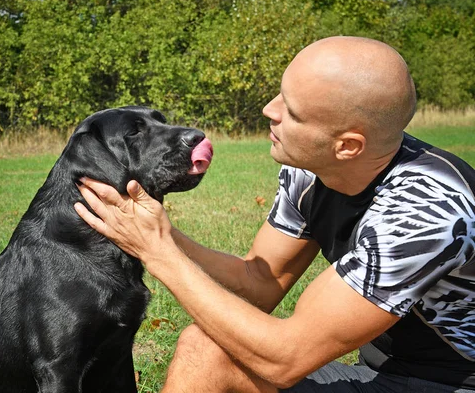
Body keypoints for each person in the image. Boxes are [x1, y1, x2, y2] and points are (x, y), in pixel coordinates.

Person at [74, 36, 475, 392]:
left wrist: (159, 252)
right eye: (280, 94)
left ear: (348, 146)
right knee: (205, 348)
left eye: (294, 113)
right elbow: (260, 281)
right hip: (375, 371)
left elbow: (285, 360)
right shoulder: (312, 169)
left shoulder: (426, 211)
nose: (270, 110)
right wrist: (155, 233)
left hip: (443, 383)